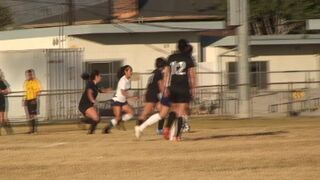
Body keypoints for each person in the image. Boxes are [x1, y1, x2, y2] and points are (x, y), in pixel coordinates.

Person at [163, 39, 196, 141]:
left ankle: (167, 127)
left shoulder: (171, 57)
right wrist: (194, 88)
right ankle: (177, 136)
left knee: (173, 110)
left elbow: (166, 73)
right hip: (184, 87)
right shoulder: (188, 58)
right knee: (181, 113)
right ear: (186, 47)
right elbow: (192, 75)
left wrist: (165, 87)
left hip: (173, 87)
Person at [134, 60, 172, 139]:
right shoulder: (159, 73)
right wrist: (164, 92)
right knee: (145, 114)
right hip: (152, 94)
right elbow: (160, 84)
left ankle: (159, 129)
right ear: (163, 66)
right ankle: (138, 128)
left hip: (151, 93)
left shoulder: (154, 72)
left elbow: (149, 84)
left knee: (162, 111)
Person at [103, 65, 136, 134]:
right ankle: (106, 129)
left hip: (123, 101)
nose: (131, 72)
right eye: (130, 71)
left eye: (131, 71)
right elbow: (122, 92)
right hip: (117, 101)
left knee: (131, 113)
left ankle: (120, 121)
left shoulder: (128, 79)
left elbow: (125, 91)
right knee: (117, 118)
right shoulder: (123, 80)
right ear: (125, 72)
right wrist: (131, 97)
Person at [24, 69, 42, 134]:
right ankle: (31, 129)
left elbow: (39, 91)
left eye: (30, 74)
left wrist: (36, 99)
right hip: (27, 100)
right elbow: (25, 92)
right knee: (29, 115)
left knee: (33, 115)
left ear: (33, 74)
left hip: (33, 99)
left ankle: (34, 130)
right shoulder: (26, 82)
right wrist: (24, 99)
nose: (29, 76)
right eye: (28, 75)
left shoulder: (36, 81)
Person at [0, 69, 13, 135]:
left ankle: (9, 132)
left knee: (2, 117)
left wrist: (2, 91)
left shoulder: (2, 82)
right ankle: (9, 132)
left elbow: (9, 91)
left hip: (1, 100)